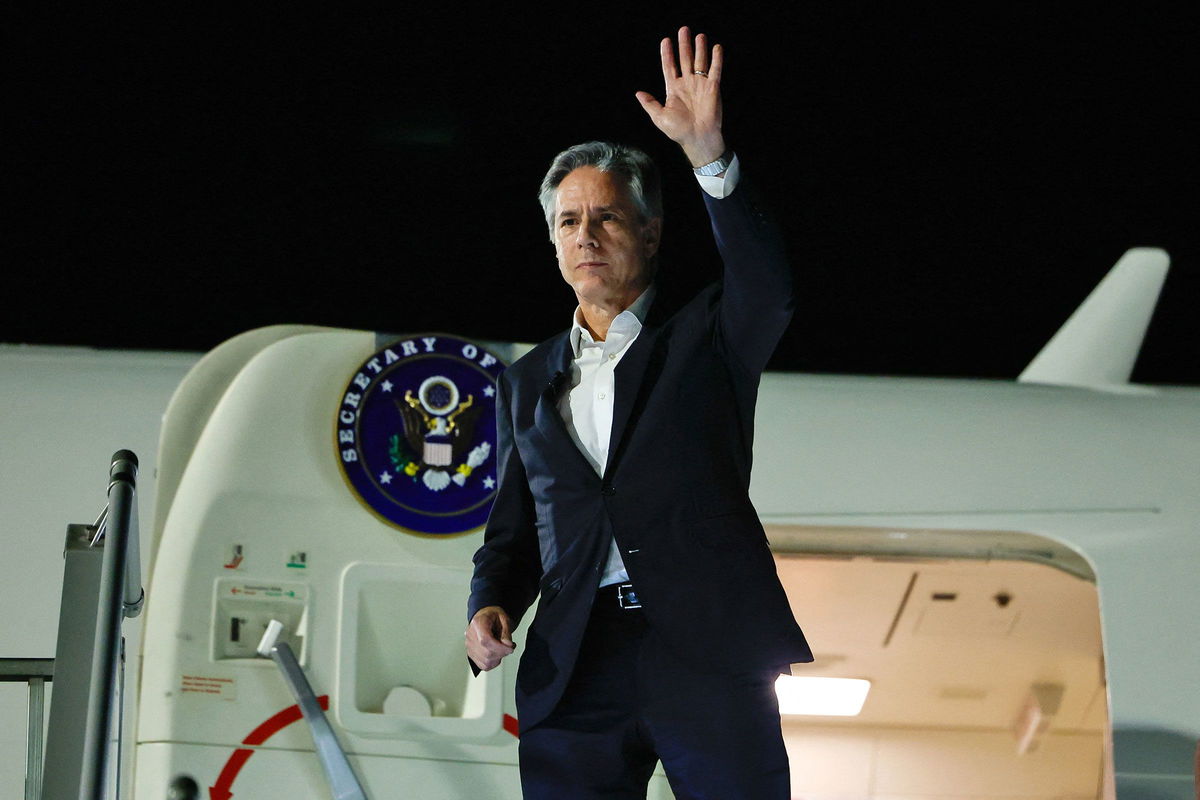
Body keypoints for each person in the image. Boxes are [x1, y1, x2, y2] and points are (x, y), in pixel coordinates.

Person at [466, 26, 812, 799]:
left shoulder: (707, 340)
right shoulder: (527, 382)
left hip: (704, 651)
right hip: (575, 662)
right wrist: (488, 604)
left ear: (651, 234)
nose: (585, 235)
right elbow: (514, 533)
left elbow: (770, 287)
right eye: (568, 222)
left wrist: (709, 158)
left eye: (608, 218)